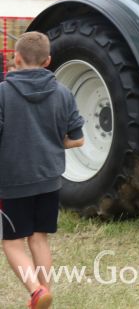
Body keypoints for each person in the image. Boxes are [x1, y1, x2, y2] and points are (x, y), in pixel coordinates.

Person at [0, 32, 85, 309]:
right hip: (49, 179)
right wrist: (56, 142)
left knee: (12, 242)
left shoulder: (2, 93)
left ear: (16, 57)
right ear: (48, 60)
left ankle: (36, 291)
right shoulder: (63, 93)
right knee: (39, 238)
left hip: (12, 181)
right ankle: (44, 292)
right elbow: (78, 138)